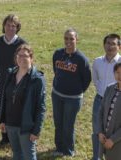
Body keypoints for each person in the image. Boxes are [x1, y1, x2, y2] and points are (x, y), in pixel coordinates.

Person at [0, 44, 46, 160]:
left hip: (26, 126)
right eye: (19, 55)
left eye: (25, 56)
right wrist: (2, 119)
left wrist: (36, 130)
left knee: (29, 156)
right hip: (10, 124)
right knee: (16, 153)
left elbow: (41, 107)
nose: (21, 58)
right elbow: (4, 98)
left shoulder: (37, 80)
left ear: (31, 58)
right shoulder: (11, 74)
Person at [52, 28, 92, 156]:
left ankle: (68, 151)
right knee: (58, 123)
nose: (68, 41)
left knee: (68, 126)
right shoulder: (58, 54)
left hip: (73, 98)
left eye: (71, 39)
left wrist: (77, 91)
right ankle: (59, 148)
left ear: (77, 40)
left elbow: (87, 79)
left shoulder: (81, 59)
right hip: (57, 95)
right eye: (66, 38)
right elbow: (55, 70)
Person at [0, 14, 27, 146]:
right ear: (3, 26)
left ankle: (15, 139)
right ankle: (5, 137)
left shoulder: (22, 44)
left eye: (13, 26)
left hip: (16, 83)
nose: (10, 28)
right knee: (1, 111)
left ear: (17, 28)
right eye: (8, 25)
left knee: (14, 111)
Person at [92, 33, 121, 160]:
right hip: (101, 99)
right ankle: (97, 156)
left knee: (114, 132)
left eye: (113, 44)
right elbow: (95, 79)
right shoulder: (97, 61)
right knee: (97, 130)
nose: (110, 46)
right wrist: (102, 92)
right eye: (107, 43)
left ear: (119, 47)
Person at [98, 62, 121, 160]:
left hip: (117, 141)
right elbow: (101, 112)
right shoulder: (110, 88)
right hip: (104, 138)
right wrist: (100, 132)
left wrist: (113, 139)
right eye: (117, 72)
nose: (120, 76)